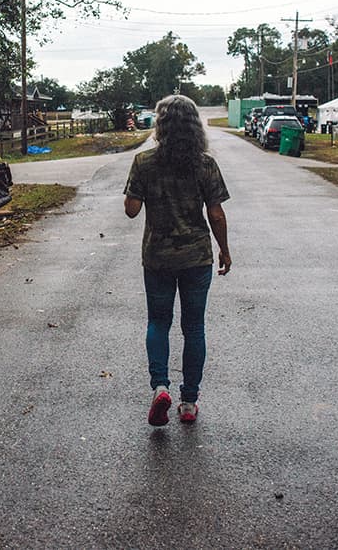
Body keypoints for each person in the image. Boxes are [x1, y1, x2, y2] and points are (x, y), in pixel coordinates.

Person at [123, 95, 231, 426]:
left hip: (157, 256)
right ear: (194, 126)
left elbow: (131, 210)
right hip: (196, 256)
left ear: (161, 125)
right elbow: (216, 212)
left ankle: (160, 388)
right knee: (193, 327)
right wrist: (224, 250)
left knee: (158, 322)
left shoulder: (144, 162)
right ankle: (188, 402)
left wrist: (138, 191)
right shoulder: (205, 164)